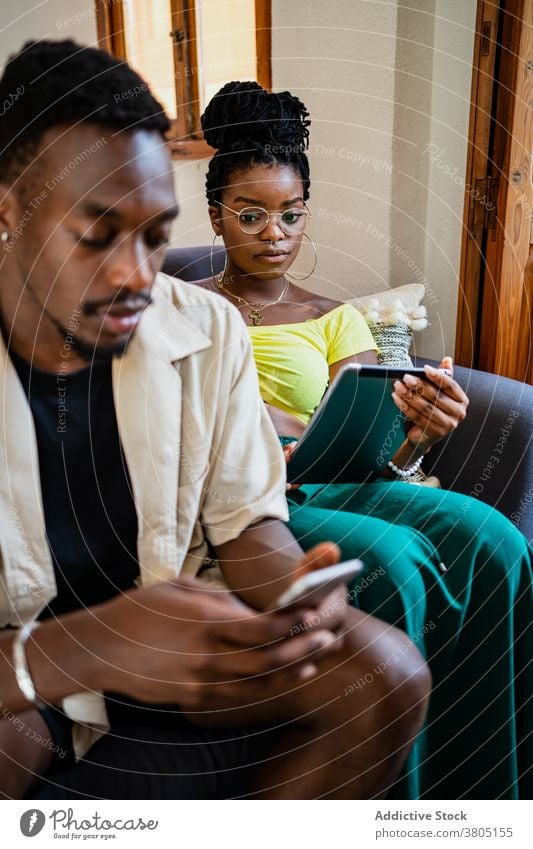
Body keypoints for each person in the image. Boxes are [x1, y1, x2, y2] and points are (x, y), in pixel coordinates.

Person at [0, 41, 430, 801]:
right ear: (10, 209)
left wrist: (293, 590)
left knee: (383, 674)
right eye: (97, 232)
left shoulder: (206, 330)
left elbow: (244, 524)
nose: (138, 272)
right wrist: (93, 645)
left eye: (155, 233)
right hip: (29, 673)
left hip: (178, 654)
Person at [194, 80, 533, 799]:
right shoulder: (181, 311)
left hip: (339, 477)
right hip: (251, 493)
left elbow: (373, 447)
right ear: (216, 216)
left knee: (499, 541)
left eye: (290, 214)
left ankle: (489, 799)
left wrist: (416, 430)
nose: (273, 233)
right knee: (393, 563)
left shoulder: (334, 317)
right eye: (250, 215)